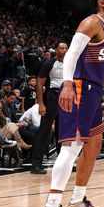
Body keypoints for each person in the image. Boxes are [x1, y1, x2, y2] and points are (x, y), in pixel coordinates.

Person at [35, 0, 104, 207]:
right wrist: (66, 84)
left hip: (93, 90)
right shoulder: (91, 22)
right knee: (72, 147)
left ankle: (77, 202)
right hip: (79, 89)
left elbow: (101, 68)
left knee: (94, 145)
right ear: (101, 2)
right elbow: (71, 55)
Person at [31, 42, 67, 174]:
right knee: (44, 131)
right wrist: (41, 103)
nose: (64, 50)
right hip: (52, 96)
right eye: (61, 48)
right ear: (56, 50)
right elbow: (39, 84)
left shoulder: (70, 63)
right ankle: (35, 164)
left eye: (66, 48)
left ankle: (62, 164)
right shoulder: (49, 63)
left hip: (66, 98)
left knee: (62, 132)